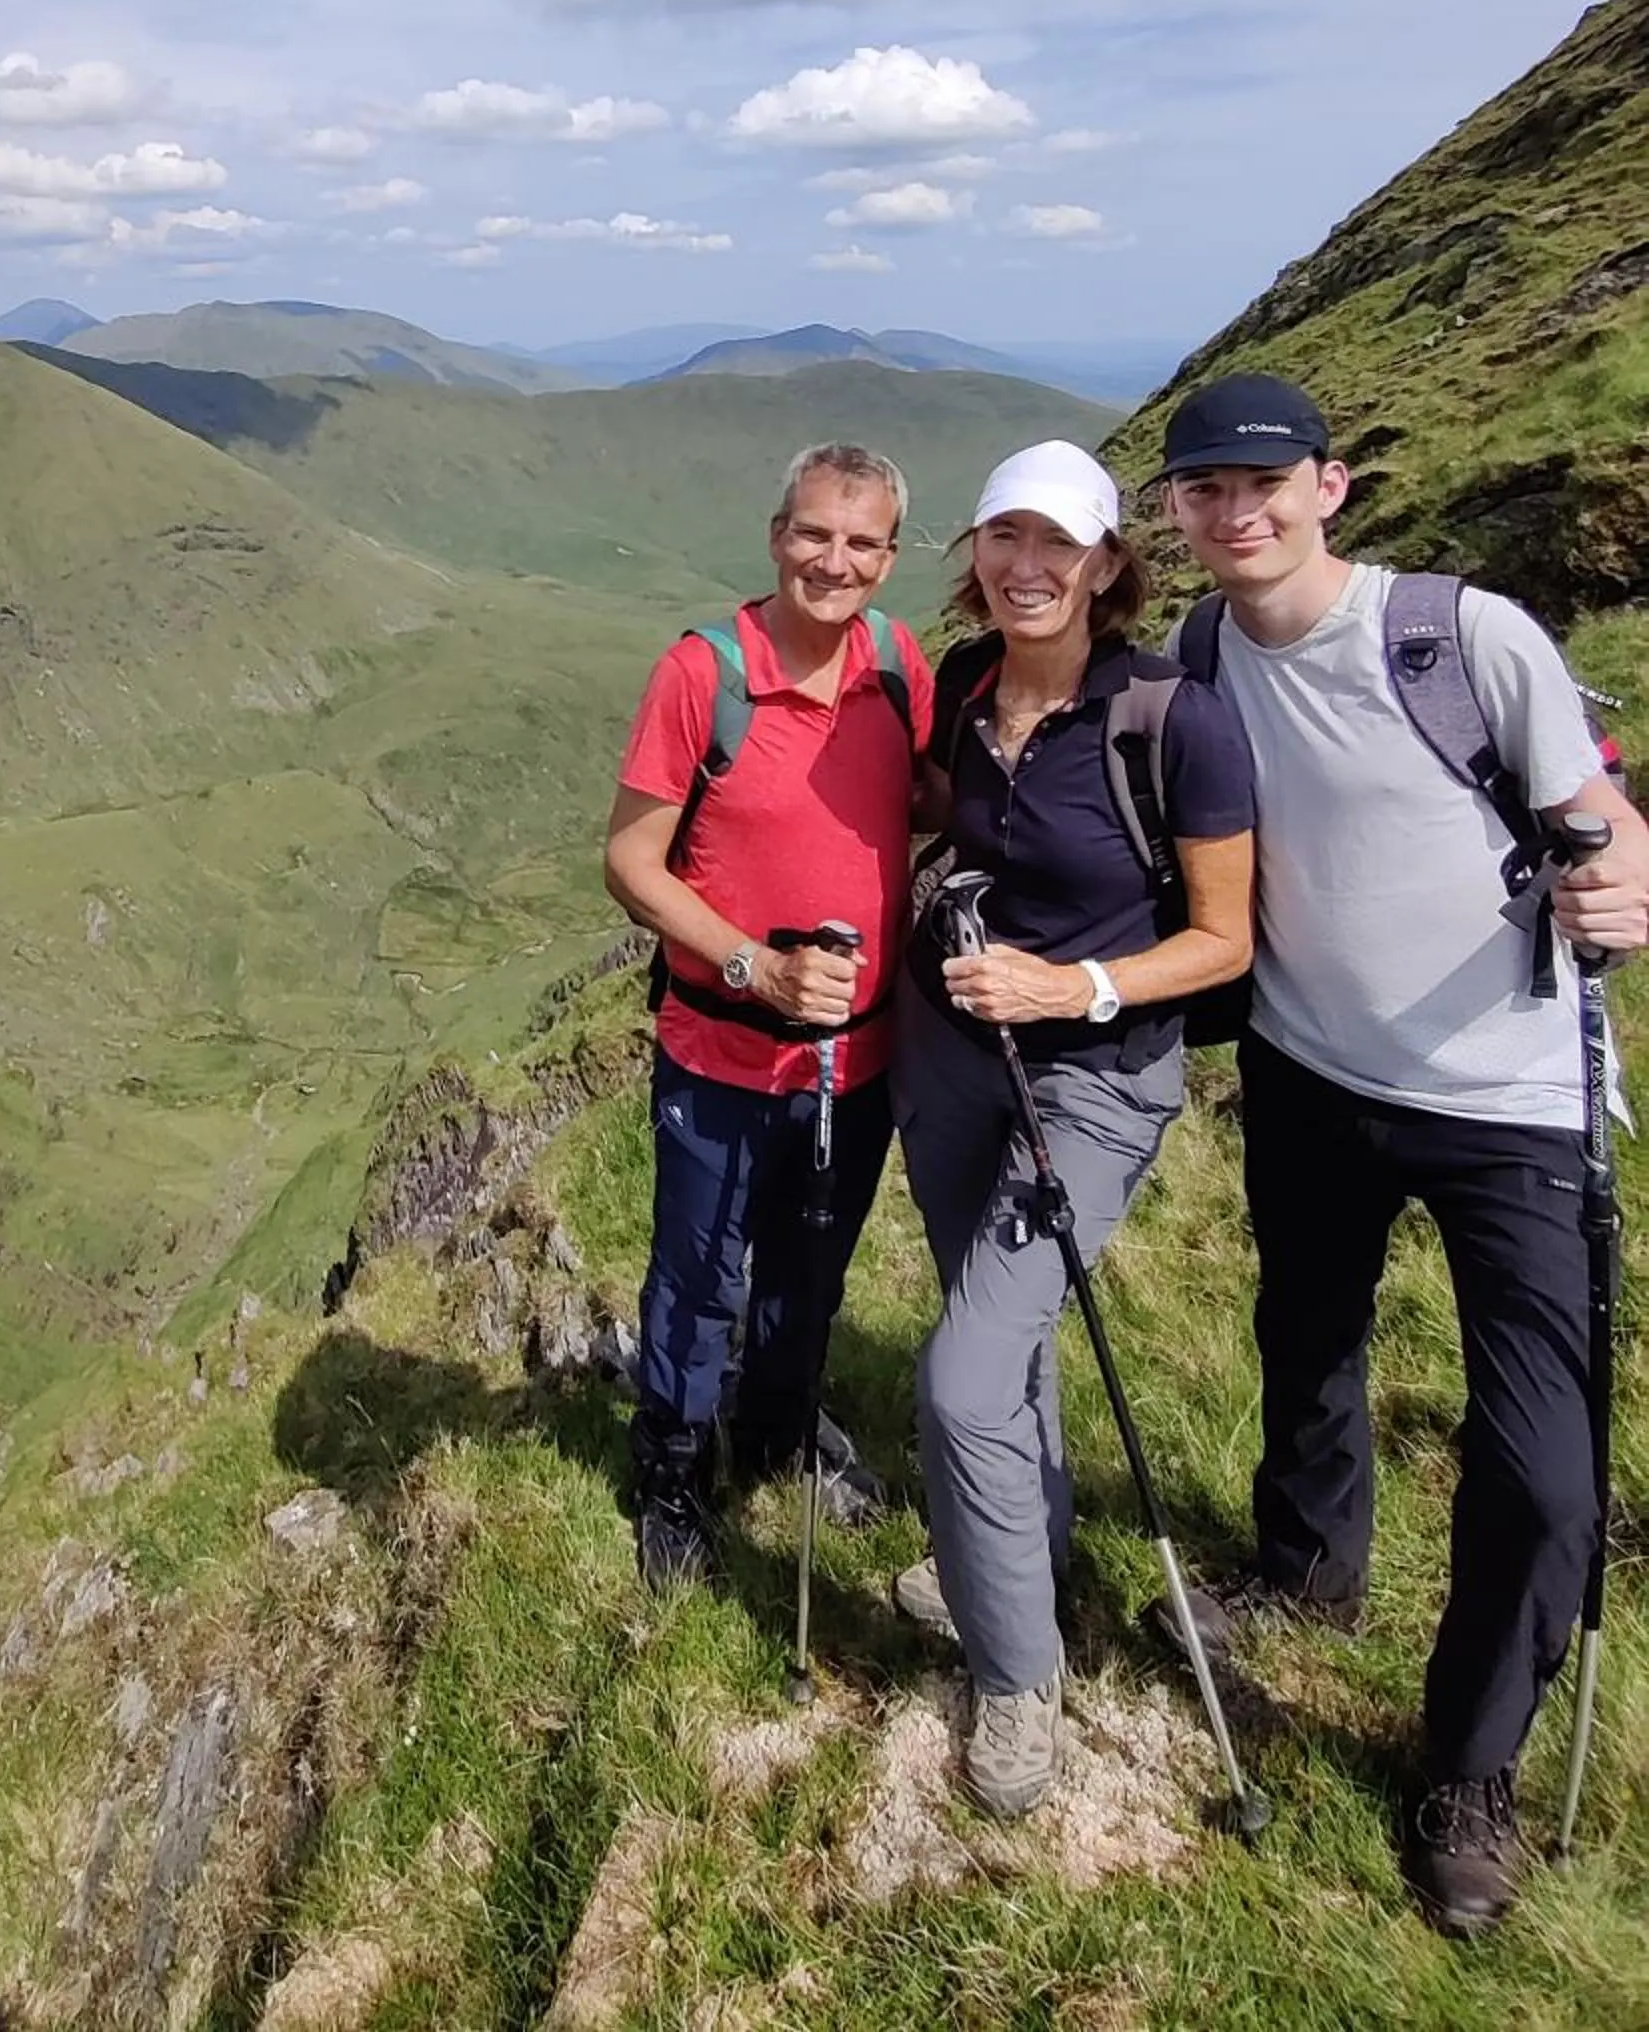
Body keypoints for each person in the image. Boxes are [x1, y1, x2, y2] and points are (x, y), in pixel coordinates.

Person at [1157, 370, 1649, 1936]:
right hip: (1308, 1070)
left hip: (1513, 1099)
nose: (1236, 511)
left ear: (1330, 485)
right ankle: (1304, 1572)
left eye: (1263, 483)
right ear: (1175, 511)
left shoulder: (1458, 637)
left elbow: (1598, 810)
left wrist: (1626, 885)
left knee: (1545, 1471)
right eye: (1204, 489)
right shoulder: (1195, 656)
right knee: (1305, 1338)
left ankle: (1468, 1768)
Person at [891, 439, 1256, 1817]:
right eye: (1004, 537)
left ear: (1107, 564)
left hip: (1095, 1083)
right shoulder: (963, 684)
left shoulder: (1172, 719)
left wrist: (1073, 985)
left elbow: (1224, 940)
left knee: (963, 1375)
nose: (1026, 566)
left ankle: (1016, 1677)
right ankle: (1008, 1559)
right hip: (952, 1060)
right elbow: (943, 815)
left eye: (1058, 543)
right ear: (975, 553)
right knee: (998, 1336)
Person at [604, 441, 933, 1588]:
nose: (834, 562)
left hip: (860, 1061)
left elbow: (926, 799)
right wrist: (756, 967)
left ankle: (778, 1436)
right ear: (776, 535)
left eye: (861, 543)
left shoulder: (897, 664)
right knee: (699, 1280)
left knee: (811, 1271)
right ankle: (671, 1474)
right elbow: (630, 863)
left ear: (890, 557)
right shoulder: (705, 675)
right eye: (814, 534)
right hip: (722, 1053)